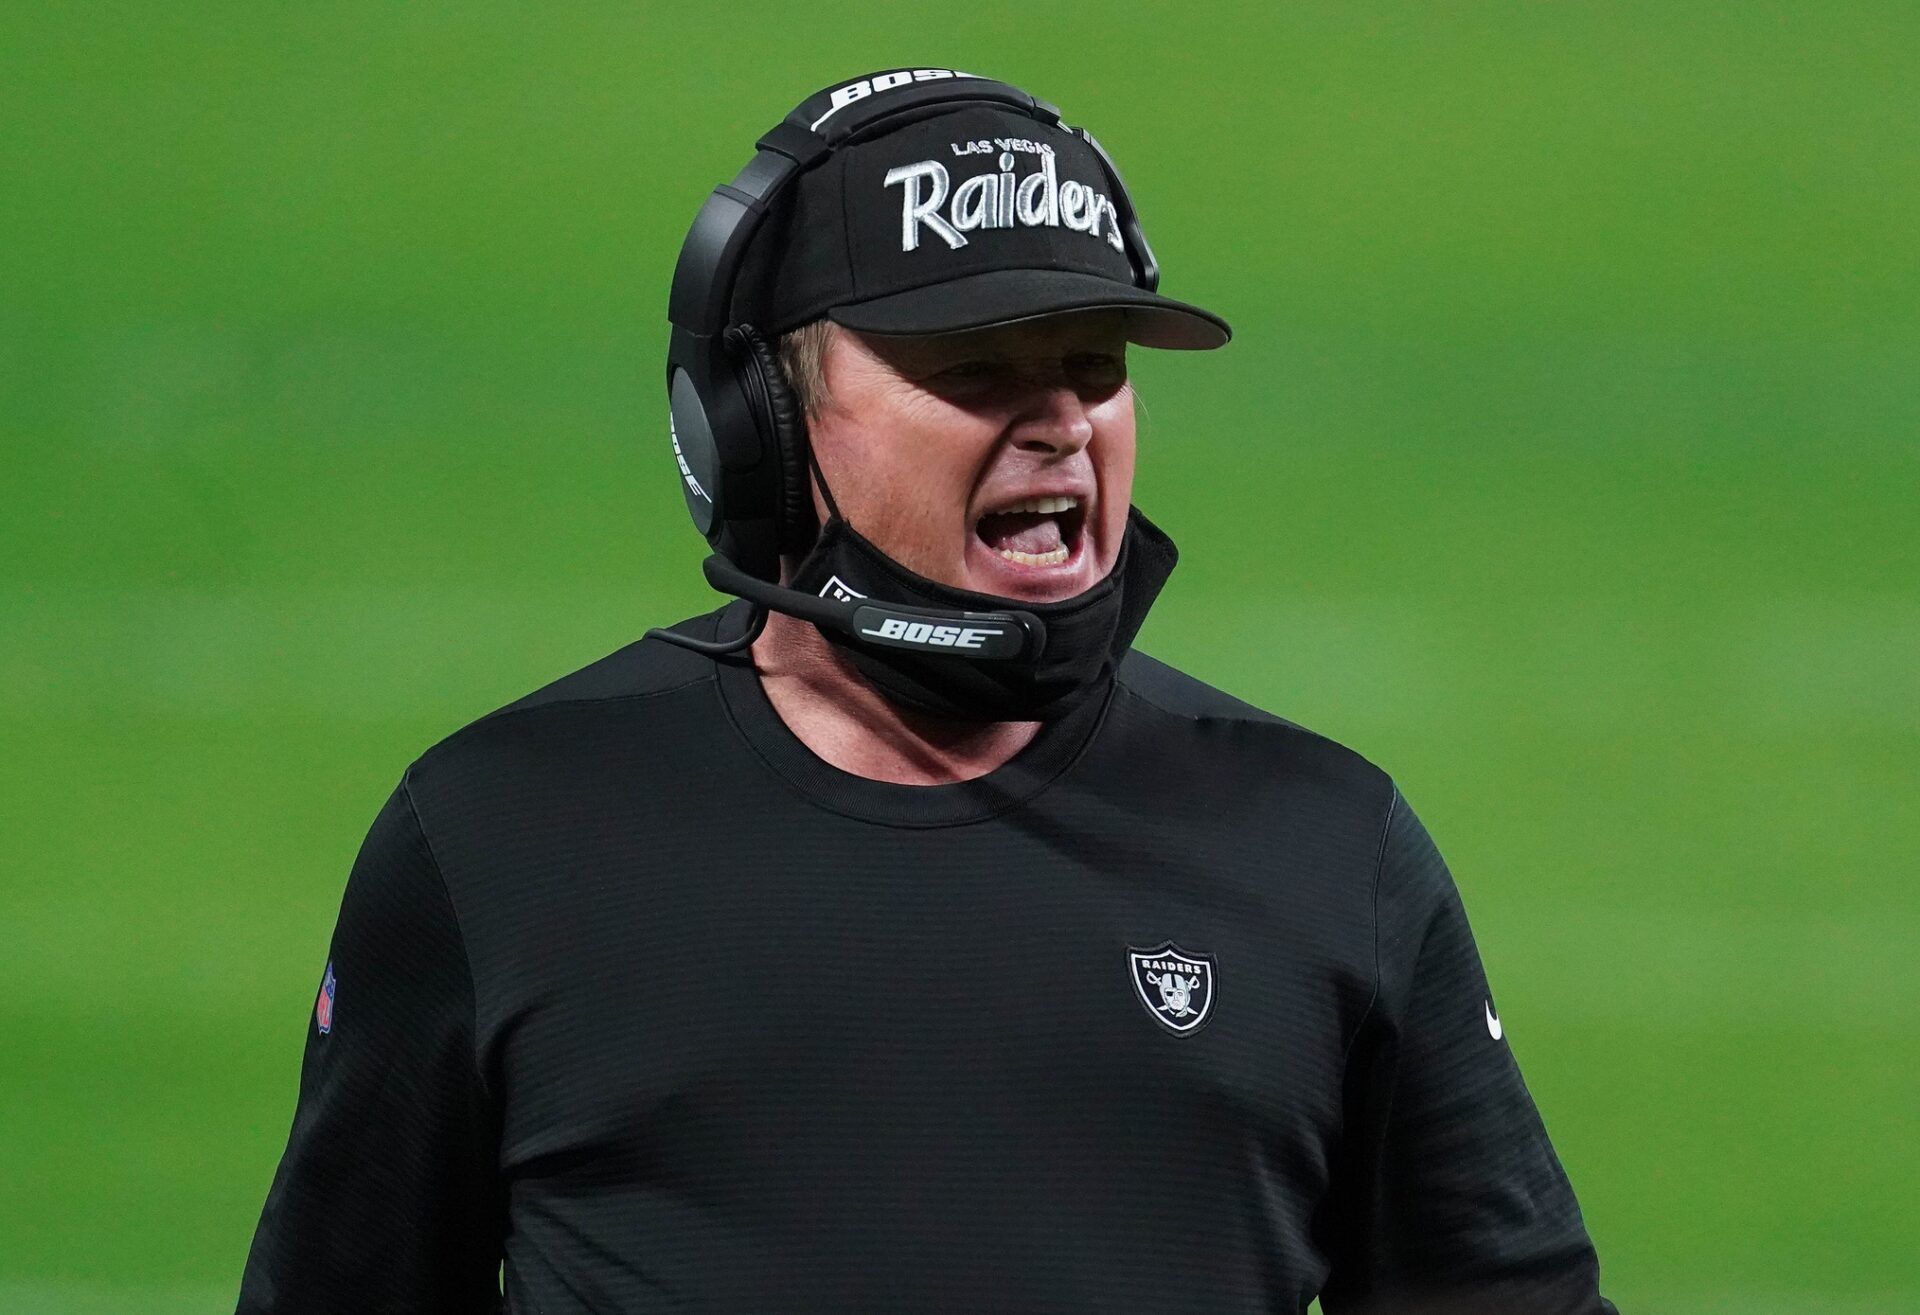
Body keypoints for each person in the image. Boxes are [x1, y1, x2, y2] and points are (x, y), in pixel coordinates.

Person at [237, 68, 1618, 1313]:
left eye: (1094, 367)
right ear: (761, 427)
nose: (1061, 422)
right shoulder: (503, 839)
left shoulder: (1324, 846)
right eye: (974, 369)